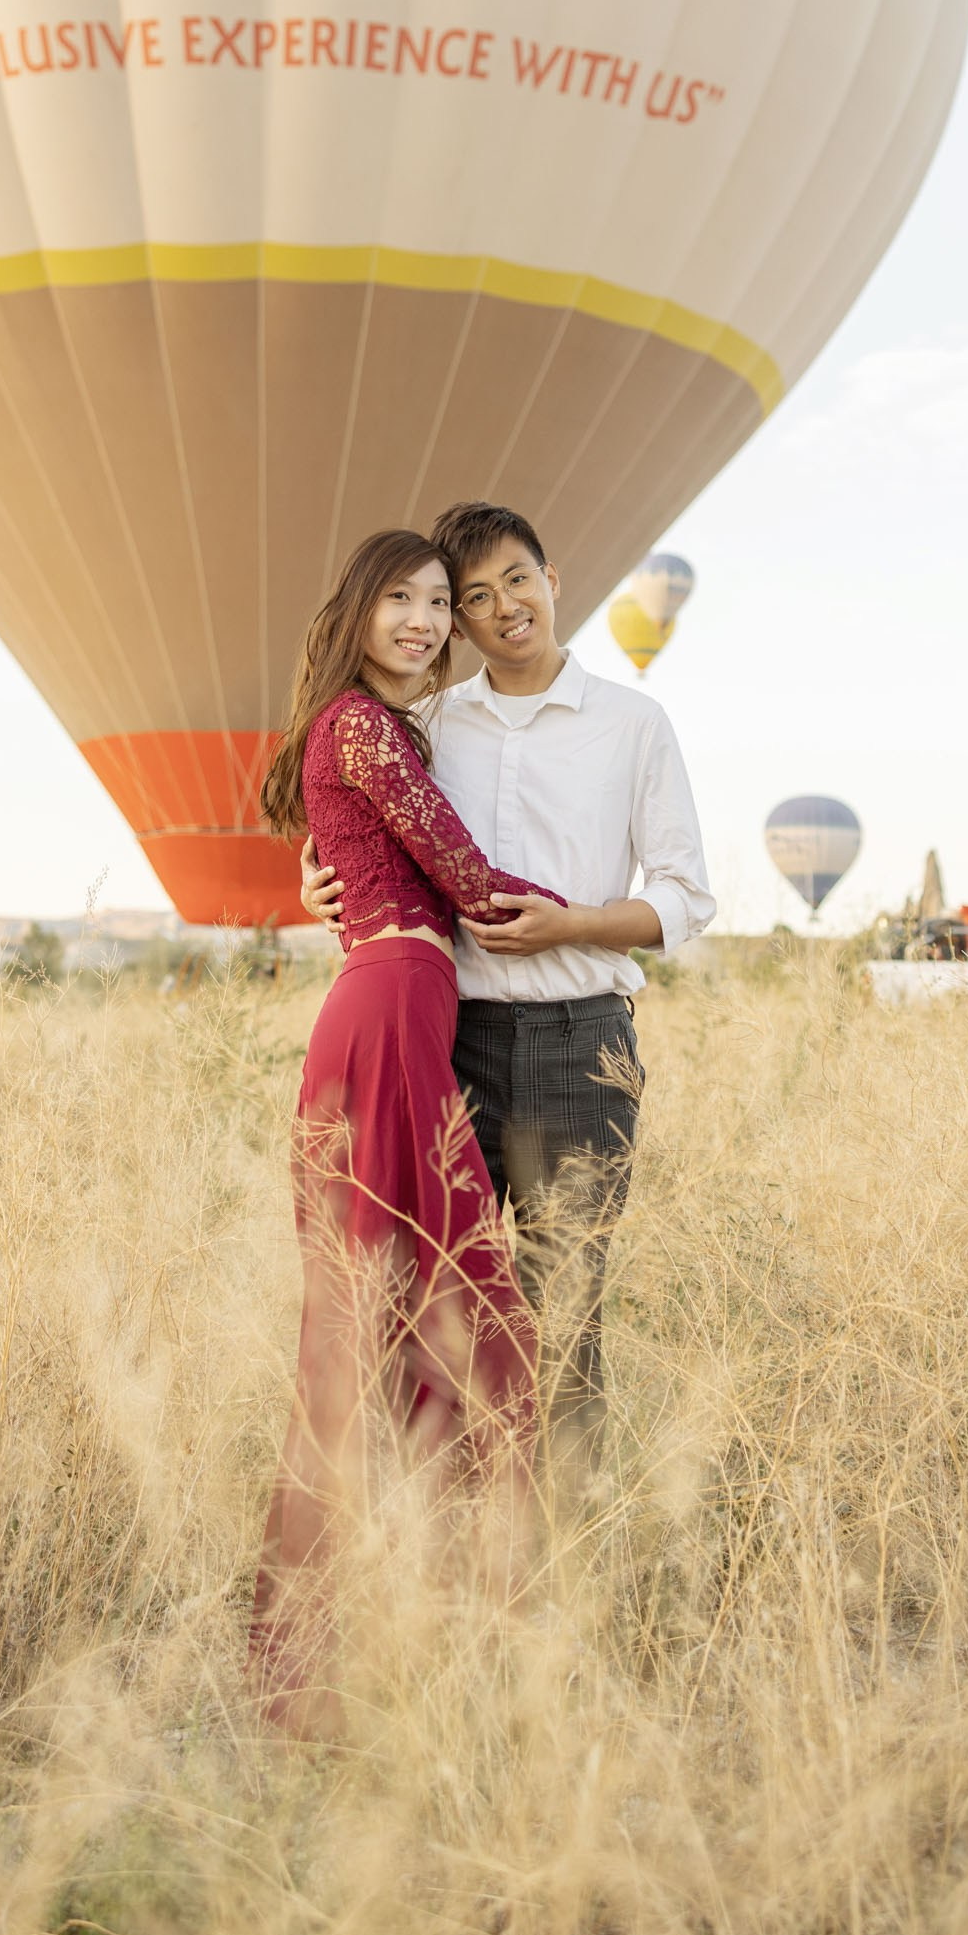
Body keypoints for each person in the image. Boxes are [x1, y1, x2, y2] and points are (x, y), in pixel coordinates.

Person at [303, 500, 713, 1480]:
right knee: (444, 1300)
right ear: (457, 622)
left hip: (585, 1044)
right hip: (455, 1045)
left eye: (516, 582)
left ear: (555, 577)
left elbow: (685, 898)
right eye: (473, 598)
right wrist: (319, 880)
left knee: (567, 1308)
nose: (502, 609)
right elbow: (352, 816)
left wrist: (570, 924)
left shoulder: (633, 724)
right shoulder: (427, 720)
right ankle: (451, 1541)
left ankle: (562, 1563)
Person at [251, 527, 558, 1728]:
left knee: (390, 1308)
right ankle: (394, 1621)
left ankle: (391, 1611)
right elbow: (465, 876)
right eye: (405, 600)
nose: (429, 622)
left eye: (443, 603)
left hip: (393, 1014)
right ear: (357, 611)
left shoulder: (365, 733)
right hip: (387, 1015)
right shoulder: (367, 727)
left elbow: (377, 858)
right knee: (447, 1308)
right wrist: (589, 926)